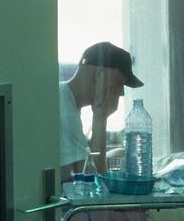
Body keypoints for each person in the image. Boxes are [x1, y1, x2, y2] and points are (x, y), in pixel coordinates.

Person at [60, 41, 144, 182]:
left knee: (120, 152)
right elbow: (92, 178)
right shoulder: (65, 110)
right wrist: (100, 118)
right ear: (100, 75)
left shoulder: (65, 98)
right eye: (119, 82)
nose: (122, 93)